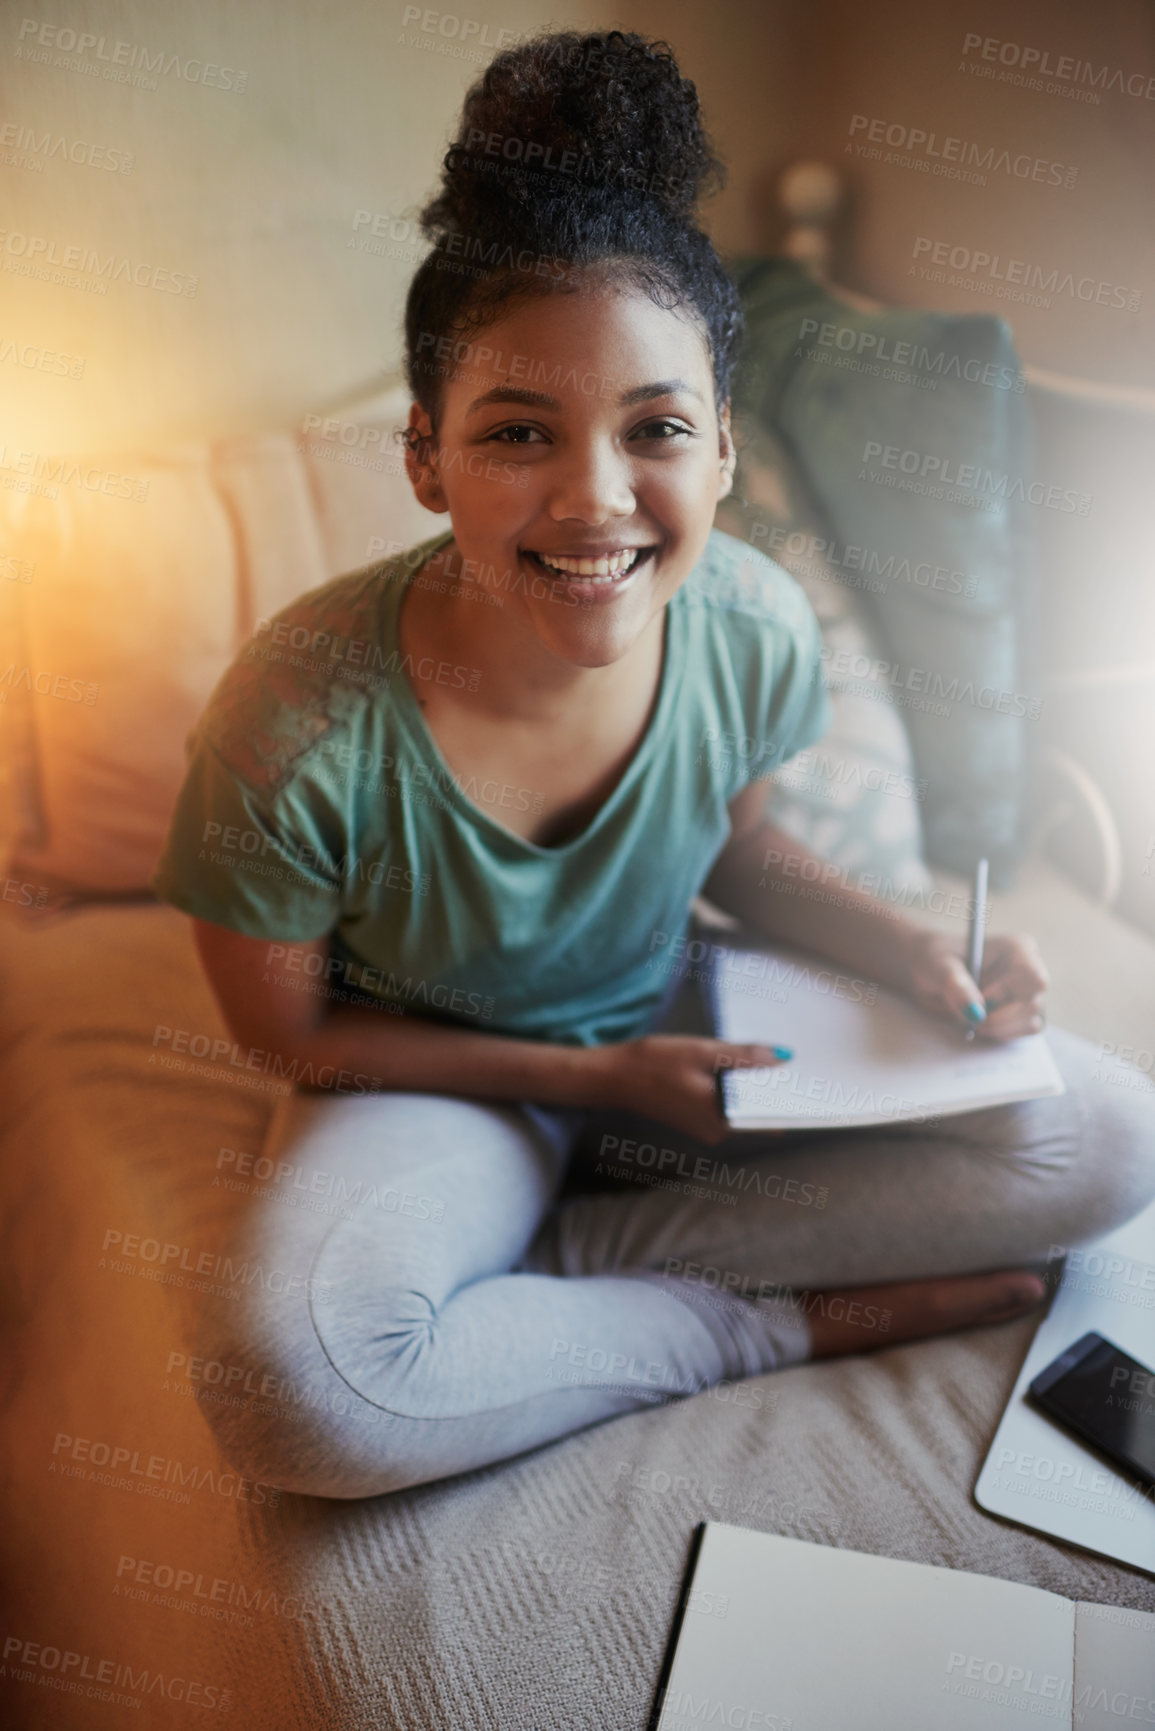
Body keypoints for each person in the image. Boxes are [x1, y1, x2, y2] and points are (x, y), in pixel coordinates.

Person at [153, 28, 1155, 1499]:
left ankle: (544, 1274)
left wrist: (920, 946)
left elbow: (740, 858)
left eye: (657, 429)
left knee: (1113, 1140)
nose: (598, 501)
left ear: (726, 449)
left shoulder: (747, 623)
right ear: (426, 458)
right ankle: (751, 1321)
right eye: (517, 434)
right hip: (437, 1082)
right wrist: (599, 1077)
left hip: (681, 1013)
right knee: (293, 1392)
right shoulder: (294, 720)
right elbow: (289, 1037)